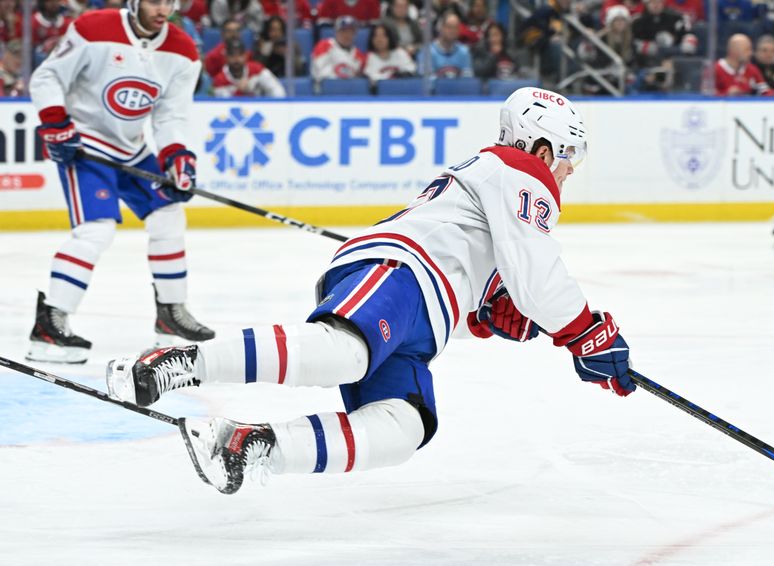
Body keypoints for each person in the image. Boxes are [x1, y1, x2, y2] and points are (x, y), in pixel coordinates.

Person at [106, 87, 635, 495]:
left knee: (403, 426)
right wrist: (588, 332)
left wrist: (492, 313)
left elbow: (500, 282)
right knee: (346, 354)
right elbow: (536, 271)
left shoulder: (499, 183)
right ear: (540, 144)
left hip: (427, 317)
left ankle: (254, 444)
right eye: (568, 157)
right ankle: (180, 362)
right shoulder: (519, 168)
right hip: (400, 269)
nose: (567, 172)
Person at [26, 0, 215, 364]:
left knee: (169, 214)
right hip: (84, 144)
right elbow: (47, 77)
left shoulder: (183, 50)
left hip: (131, 150)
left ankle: (171, 315)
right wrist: (54, 121)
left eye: (169, 2)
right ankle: (49, 324)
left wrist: (178, 157)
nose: (163, 9)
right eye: (155, 1)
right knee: (96, 230)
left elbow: (171, 115)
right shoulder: (93, 28)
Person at [212, 37, 285, 96]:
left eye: (240, 55)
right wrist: (239, 91)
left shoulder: (257, 70)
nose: (236, 59)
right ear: (226, 57)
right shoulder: (220, 80)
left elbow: (278, 91)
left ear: (245, 56)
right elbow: (223, 106)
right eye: (232, 55)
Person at [311, 15, 366, 84]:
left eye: (351, 32)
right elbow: (319, 73)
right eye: (343, 31)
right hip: (327, 90)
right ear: (336, 32)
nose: (347, 35)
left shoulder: (359, 55)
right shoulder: (324, 46)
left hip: (350, 91)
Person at [425, 10, 473, 78]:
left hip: (458, 89)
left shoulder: (464, 52)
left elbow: (467, 80)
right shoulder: (428, 52)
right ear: (441, 28)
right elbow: (427, 82)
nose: (453, 31)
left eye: (456, 27)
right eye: (449, 27)